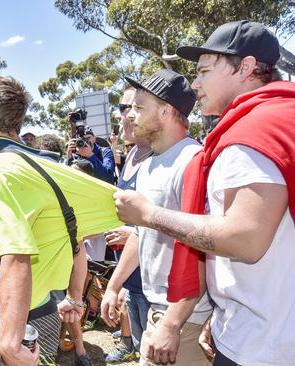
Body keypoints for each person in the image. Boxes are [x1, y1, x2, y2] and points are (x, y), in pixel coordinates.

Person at [115, 20, 295, 366]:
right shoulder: (272, 119)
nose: (195, 83)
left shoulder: (256, 131)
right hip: (255, 329)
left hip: (263, 346)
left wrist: (149, 215)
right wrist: (222, 311)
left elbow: (245, 239)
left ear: (245, 68)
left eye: (204, 71)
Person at [0, 76, 122, 366]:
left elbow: (17, 253)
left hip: (18, 318)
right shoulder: (44, 164)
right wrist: (74, 297)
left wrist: (9, 341)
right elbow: (77, 243)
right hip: (46, 307)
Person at [103, 69, 213, 366]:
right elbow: (140, 234)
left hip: (184, 319)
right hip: (160, 312)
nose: (130, 115)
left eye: (139, 107)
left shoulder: (192, 161)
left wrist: (172, 324)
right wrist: (114, 286)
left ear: (165, 111)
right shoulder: (149, 165)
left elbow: (203, 246)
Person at [100, 87, 154, 363]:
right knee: (142, 350)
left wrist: (134, 232)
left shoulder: (161, 160)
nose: (122, 116)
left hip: (156, 286)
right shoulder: (132, 156)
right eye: (121, 109)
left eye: (128, 108)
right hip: (132, 278)